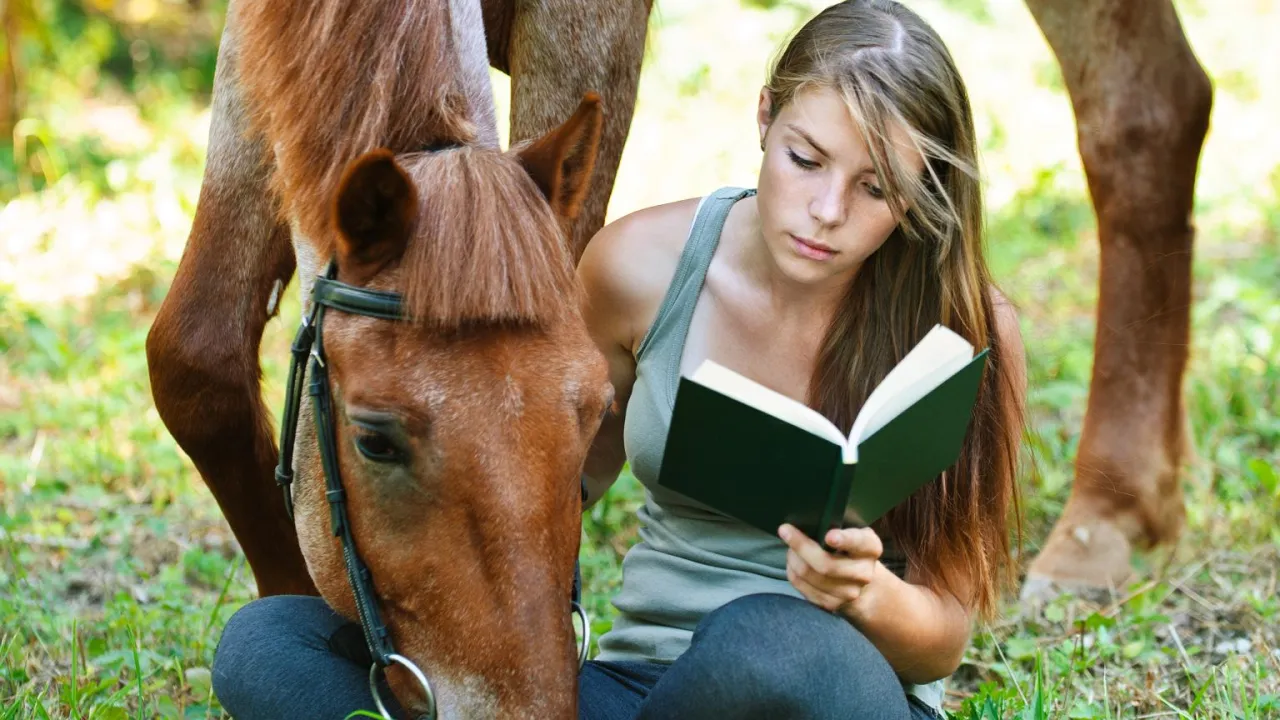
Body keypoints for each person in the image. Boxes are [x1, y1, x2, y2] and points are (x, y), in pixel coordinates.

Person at [211, 1, 1027, 718]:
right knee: (268, 643)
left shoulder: (960, 331)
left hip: (831, 689)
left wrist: (868, 598)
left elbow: (944, 641)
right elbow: (556, 478)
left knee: (773, 644)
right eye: (805, 159)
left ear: (925, 194)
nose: (826, 211)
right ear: (765, 118)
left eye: (877, 189)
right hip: (641, 693)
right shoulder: (641, 266)